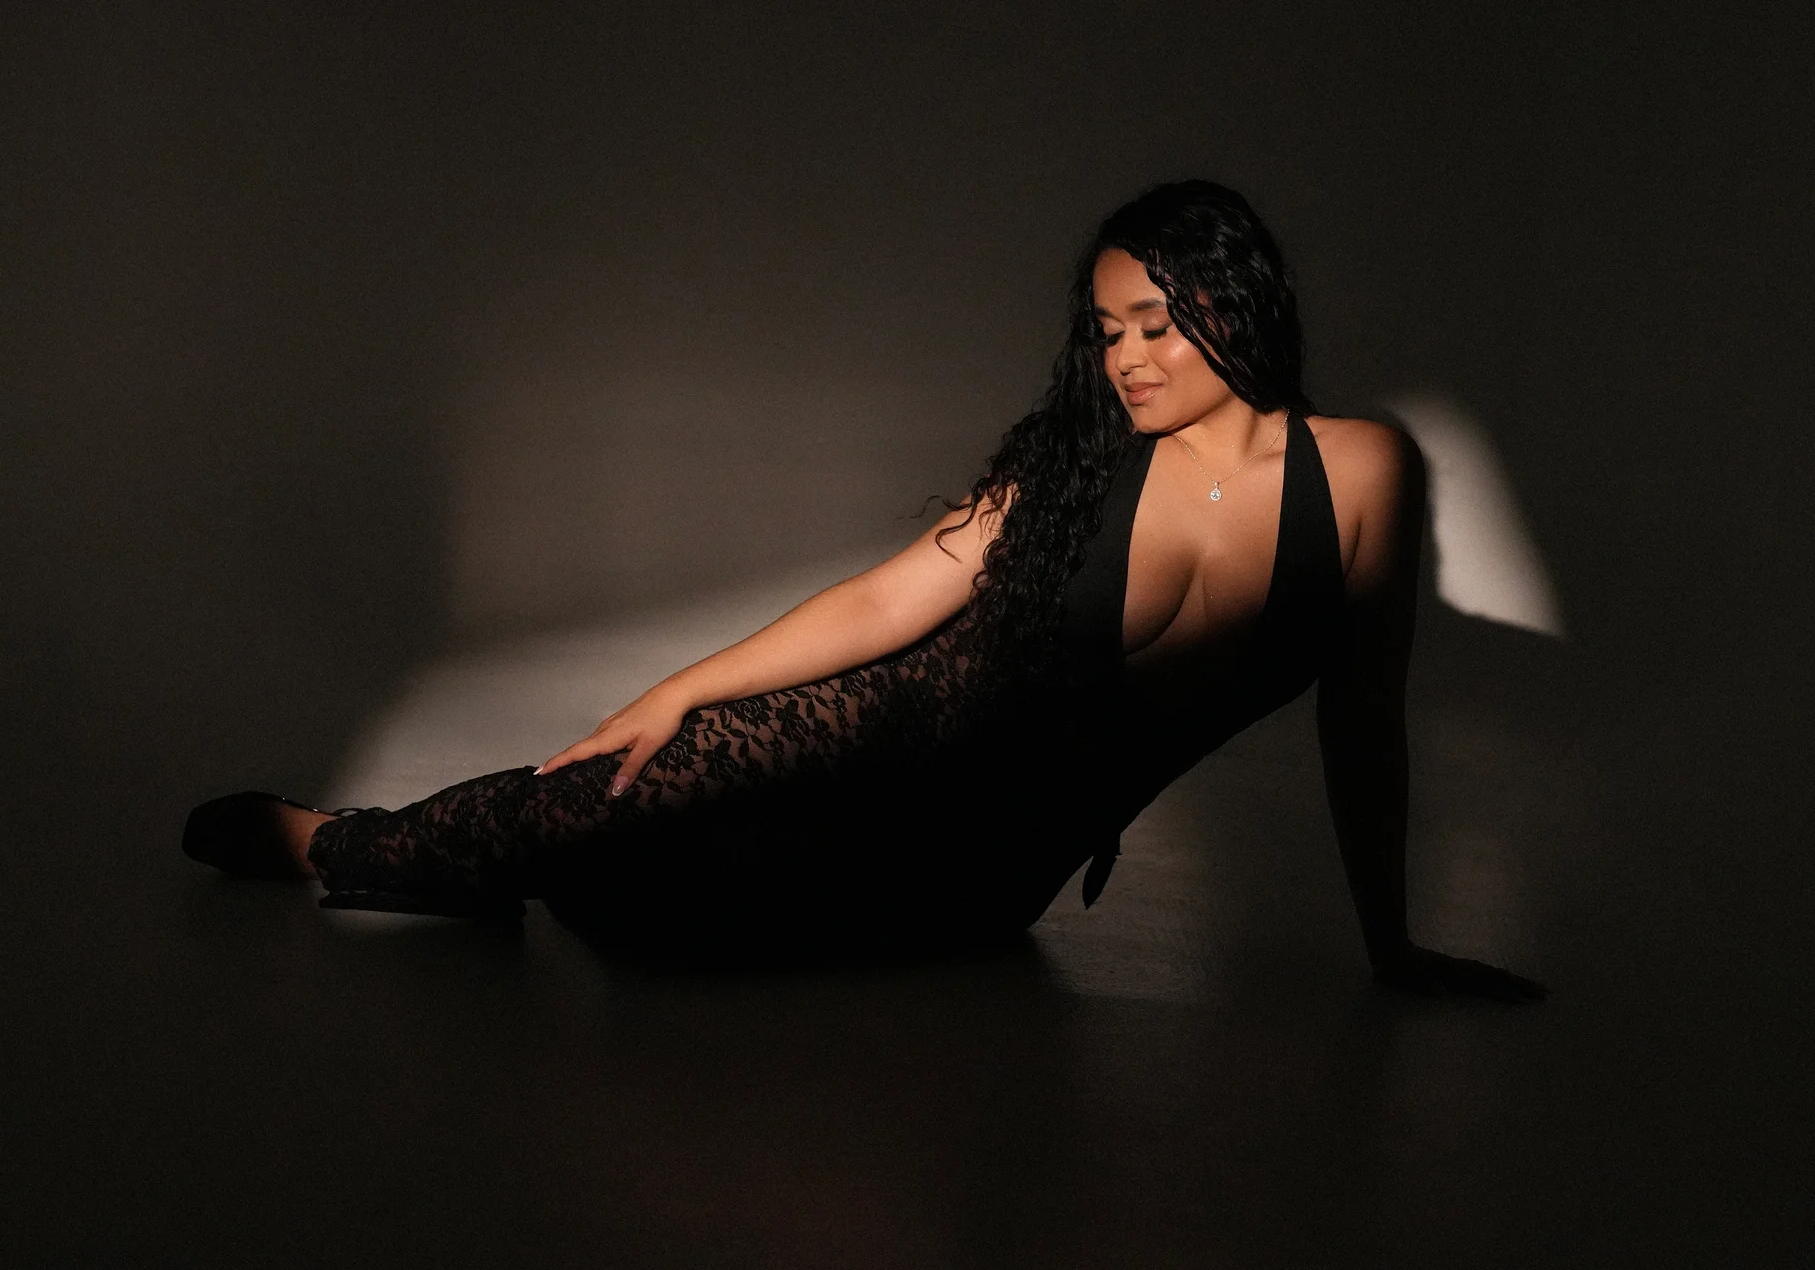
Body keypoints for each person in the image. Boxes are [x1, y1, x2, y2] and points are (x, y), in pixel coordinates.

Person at [184, 180, 1545, 1001]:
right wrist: (682, 689)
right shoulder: (1078, 466)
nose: (1125, 360)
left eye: (1154, 325)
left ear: (1233, 306)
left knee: (657, 935)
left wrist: (1392, 951)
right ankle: (338, 844)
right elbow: (890, 606)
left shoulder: (1364, 474)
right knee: (613, 792)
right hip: (878, 733)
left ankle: (511, 870)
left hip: (987, 874)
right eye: (1104, 332)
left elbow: (1363, 723)